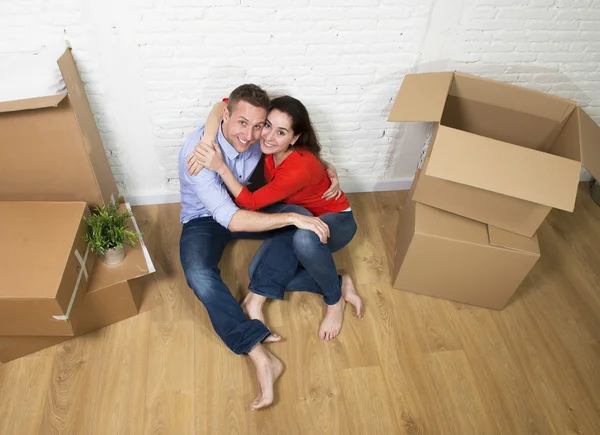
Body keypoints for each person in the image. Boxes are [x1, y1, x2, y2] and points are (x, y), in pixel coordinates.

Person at [179, 84, 336, 411]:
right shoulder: (199, 152)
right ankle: (259, 355)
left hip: (246, 203)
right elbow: (231, 219)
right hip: (205, 219)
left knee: (300, 220)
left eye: (258, 125)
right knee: (197, 274)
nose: (249, 135)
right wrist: (207, 140)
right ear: (227, 116)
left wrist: (326, 172)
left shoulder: (260, 137)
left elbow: (295, 154)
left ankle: (257, 298)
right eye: (241, 123)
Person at [186, 95, 364, 342]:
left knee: (302, 239)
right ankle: (338, 281)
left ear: (294, 138)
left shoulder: (296, 166)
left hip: (335, 220)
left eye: (281, 132)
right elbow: (222, 105)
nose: (268, 136)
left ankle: (334, 301)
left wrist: (220, 167)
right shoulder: (264, 143)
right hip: (302, 216)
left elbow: (250, 202)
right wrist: (207, 140)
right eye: (267, 125)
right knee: (260, 273)